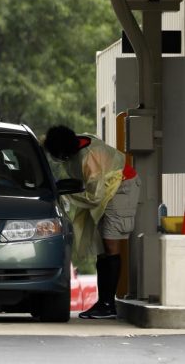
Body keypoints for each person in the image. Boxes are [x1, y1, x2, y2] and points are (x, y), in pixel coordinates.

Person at [44, 125, 141, 320]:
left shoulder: (88, 158)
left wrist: (68, 196)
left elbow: (94, 196)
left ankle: (108, 304)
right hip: (107, 187)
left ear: (64, 152)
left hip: (122, 188)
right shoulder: (78, 141)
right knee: (102, 249)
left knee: (110, 244)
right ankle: (103, 302)